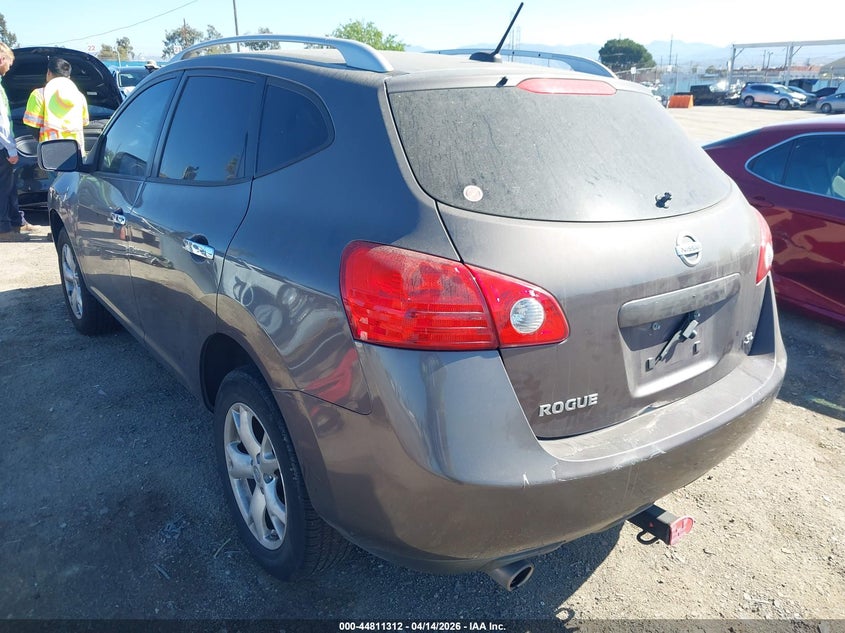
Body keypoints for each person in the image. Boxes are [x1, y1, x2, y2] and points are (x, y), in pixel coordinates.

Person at [23, 56, 89, 153]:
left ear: (48, 73)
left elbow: (32, 126)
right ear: (69, 78)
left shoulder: (39, 95)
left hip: (50, 152)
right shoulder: (80, 96)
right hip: (76, 152)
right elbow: (84, 123)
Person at [0, 42, 29, 242]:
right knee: (3, 187)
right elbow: (1, 121)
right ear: (1, 59)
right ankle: (3, 229)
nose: (9, 68)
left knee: (9, 186)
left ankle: (16, 221)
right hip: (2, 146)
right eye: (9, 63)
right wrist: (11, 149)